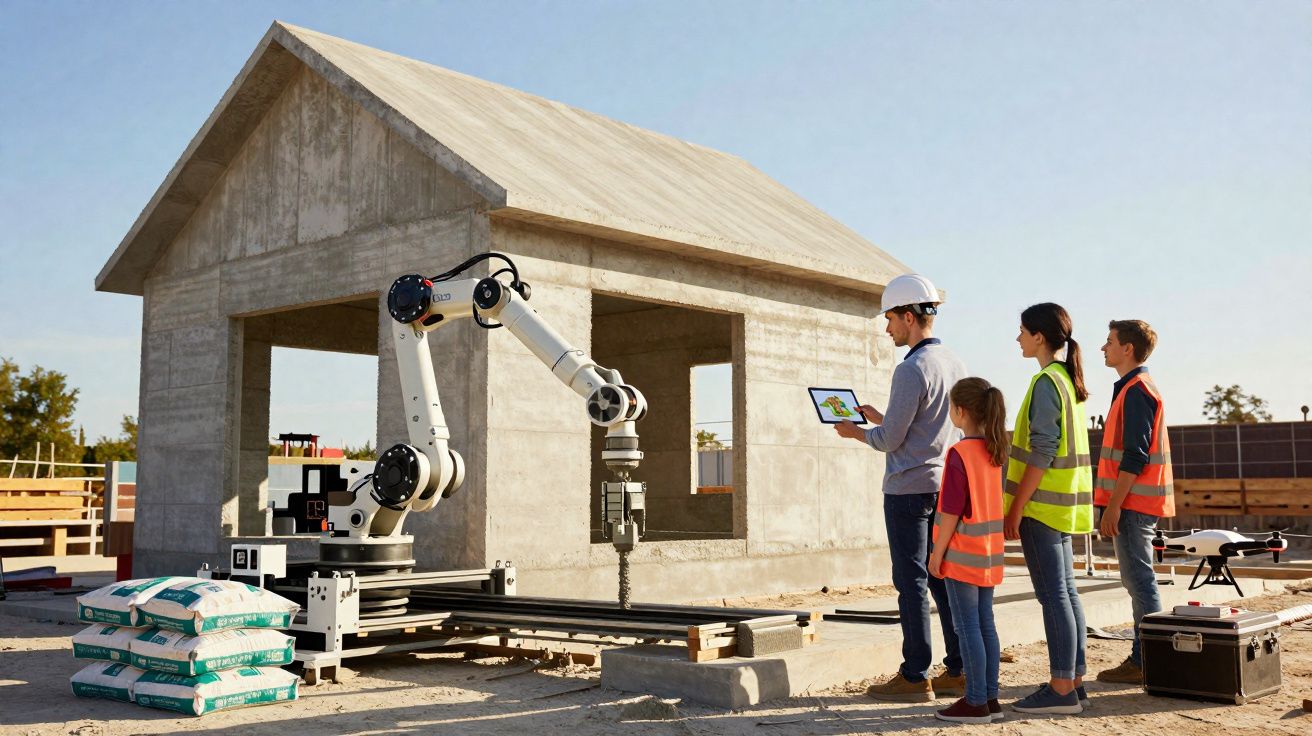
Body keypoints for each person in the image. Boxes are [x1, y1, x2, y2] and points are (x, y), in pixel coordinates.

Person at [834, 273, 967, 702]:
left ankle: (914, 676)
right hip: (945, 486)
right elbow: (926, 426)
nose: (886, 326)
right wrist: (880, 417)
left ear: (909, 316)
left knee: (910, 582)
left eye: (890, 317)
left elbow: (892, 441)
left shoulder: (910, 368)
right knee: (943, 577)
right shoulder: (953, 363)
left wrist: (857, 433)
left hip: (909, 491)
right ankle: (959, 668)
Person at [1004, 302, 1094, 715]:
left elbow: (1042, 451)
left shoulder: (1046, 383)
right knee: (1067, 592)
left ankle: (1060, 690)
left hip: (1041, 507)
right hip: (1065, 507)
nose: (1018, 338)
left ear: (1039, 336)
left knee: (1054, 595)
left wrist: (1016, 508)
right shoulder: (1067, 381)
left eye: (1022, 331)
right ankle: (1073, 680)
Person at [1095, 320, 1173, 684]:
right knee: (1138, 579)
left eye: (1109, 342)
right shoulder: (1133, 388)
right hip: (1133, 503)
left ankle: (1146, 660)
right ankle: (1147, 659)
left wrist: (1114, 505)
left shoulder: (1137, 390)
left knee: (1139, 581)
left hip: (1131, 505)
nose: (1103, 348)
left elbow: (1135, 456)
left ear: (1128, 349)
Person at [929, 378, 1008, 723]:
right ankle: (989, 697)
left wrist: (936, 554)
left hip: (961, 556)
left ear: (960, 412)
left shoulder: (959, 454)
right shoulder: (995, 452)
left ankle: (975, 702)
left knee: (967, 628)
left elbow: (949, 512)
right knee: (985, 625)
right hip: (988, 555)